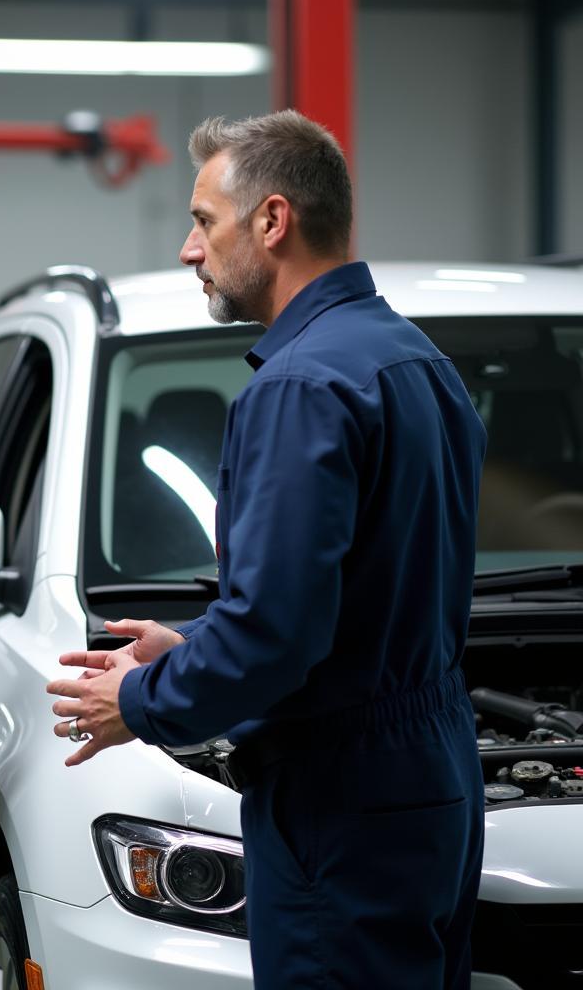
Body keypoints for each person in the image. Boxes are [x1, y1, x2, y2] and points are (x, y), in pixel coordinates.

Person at [47, 111, 487, 989]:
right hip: (430, 766)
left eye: (204, 220)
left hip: (339, 793)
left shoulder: (299, 385)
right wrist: (196, 648)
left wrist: (140, 699)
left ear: (273, 221)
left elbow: (277, 634)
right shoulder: (414, 358)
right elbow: (364, 594)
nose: (188, 248)